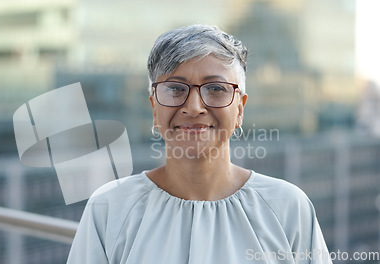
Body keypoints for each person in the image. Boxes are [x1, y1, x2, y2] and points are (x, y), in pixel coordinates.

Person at [67, 24, 331, 263]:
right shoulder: (110, 208)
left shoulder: (288, 207)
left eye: (215, 89)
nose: (194, 108)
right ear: (154, 109)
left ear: (240, 109)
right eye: (175, 89)